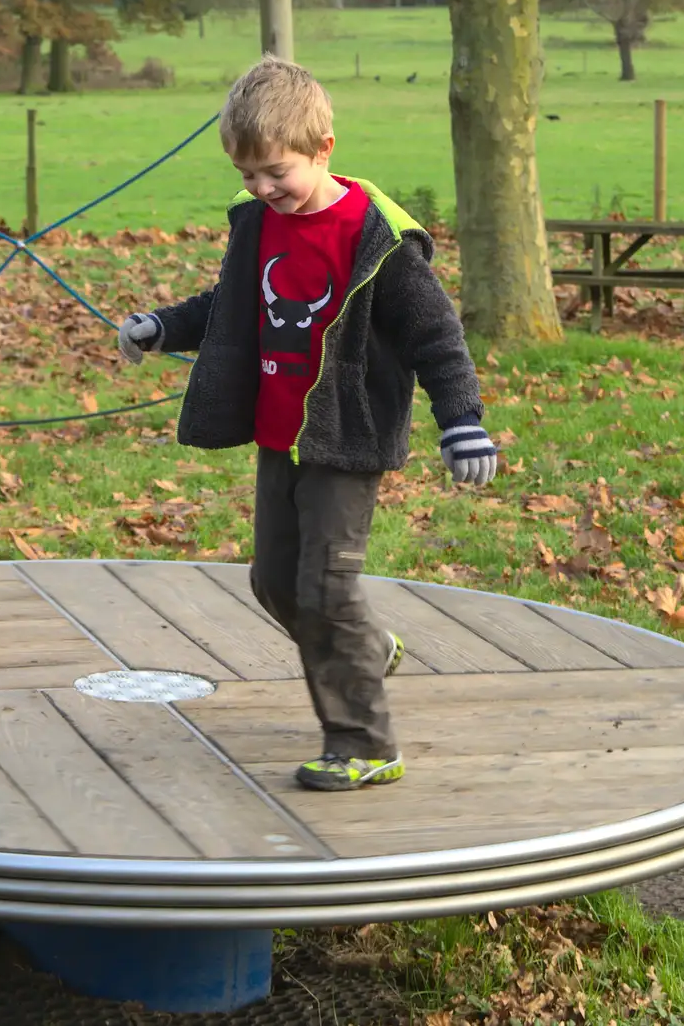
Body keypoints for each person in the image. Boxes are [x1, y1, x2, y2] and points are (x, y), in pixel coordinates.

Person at [117, 56, 498, 792]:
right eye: (249, 173)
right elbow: (226, 303)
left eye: (275, 172)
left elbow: (436, 336)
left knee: (326, 586)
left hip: (345, 437)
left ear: (324, 147)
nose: (262, 188)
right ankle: (365, 647)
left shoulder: (377, 236)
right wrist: (162, 327)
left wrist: (464, 422)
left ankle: (362, 738)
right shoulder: (258, 223)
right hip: (277, 433)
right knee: (274, 581)